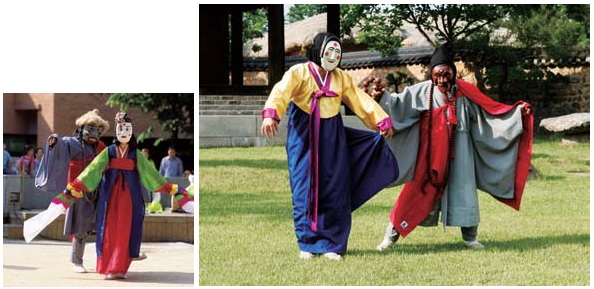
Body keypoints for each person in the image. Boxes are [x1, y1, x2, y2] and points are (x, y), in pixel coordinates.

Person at [370, 43, 534, 251]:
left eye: (446, 74)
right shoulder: (422, 91)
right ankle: (389, 237)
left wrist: (516, 114)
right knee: (413, 194)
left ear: (453, 73)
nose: (441, 79)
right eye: (437, 74)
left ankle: (470, 237)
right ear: (432, 74)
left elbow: (490, 114)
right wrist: (380, 97)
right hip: (429, 155)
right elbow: (398, 105)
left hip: (461, 153)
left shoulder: (466, 92)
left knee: (464, 193)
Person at [260, 32, 399, 261]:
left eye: (337, 52)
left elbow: (358, 99)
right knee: (304, 188)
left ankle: (333, 244)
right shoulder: (299, 72)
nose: (333, 56)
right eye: (329, 51)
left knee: (335, 188)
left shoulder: (341, 77)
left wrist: (380, 119)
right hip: (303, 135)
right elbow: (281, 91)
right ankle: (308, 243)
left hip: (332, 135)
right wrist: (271, 114)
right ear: (317, 51)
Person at [51, 112, 194, 280]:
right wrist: (75, 185)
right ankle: (92, 262)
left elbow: (151, 174)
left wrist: (169, 188)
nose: (124, 132)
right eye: (120, 128)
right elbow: (93, 170)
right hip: (103, 194)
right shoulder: (99, 149)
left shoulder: (125, 152)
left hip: (124, 196)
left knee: (124, 228)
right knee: (100, 228)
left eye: (127, 129)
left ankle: (121, 263)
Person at [35, 109, 113, 273]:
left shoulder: (101, 147)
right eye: (90, 129)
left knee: (104, 226)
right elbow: (59, 145)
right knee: (80, 228)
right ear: (81, 128)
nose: (93, 133)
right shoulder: (72, 143)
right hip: (77, 192)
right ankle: (76, 260)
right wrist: (54, 141)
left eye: (98, 130)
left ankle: (107, 260)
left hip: (98, 191)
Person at [147, 146, 184, 213]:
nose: (171, 154)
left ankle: (174, 207)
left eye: (173, 152)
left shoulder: (178, 161)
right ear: (168, 152)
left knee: (174, 195)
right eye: (170, 152)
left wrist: (180, 180)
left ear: (175, 153)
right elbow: (161, 171)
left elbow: (180, 172)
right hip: (165, 180)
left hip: (175, 180)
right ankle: (164, 206)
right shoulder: (164, 160)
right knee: (165, 194)